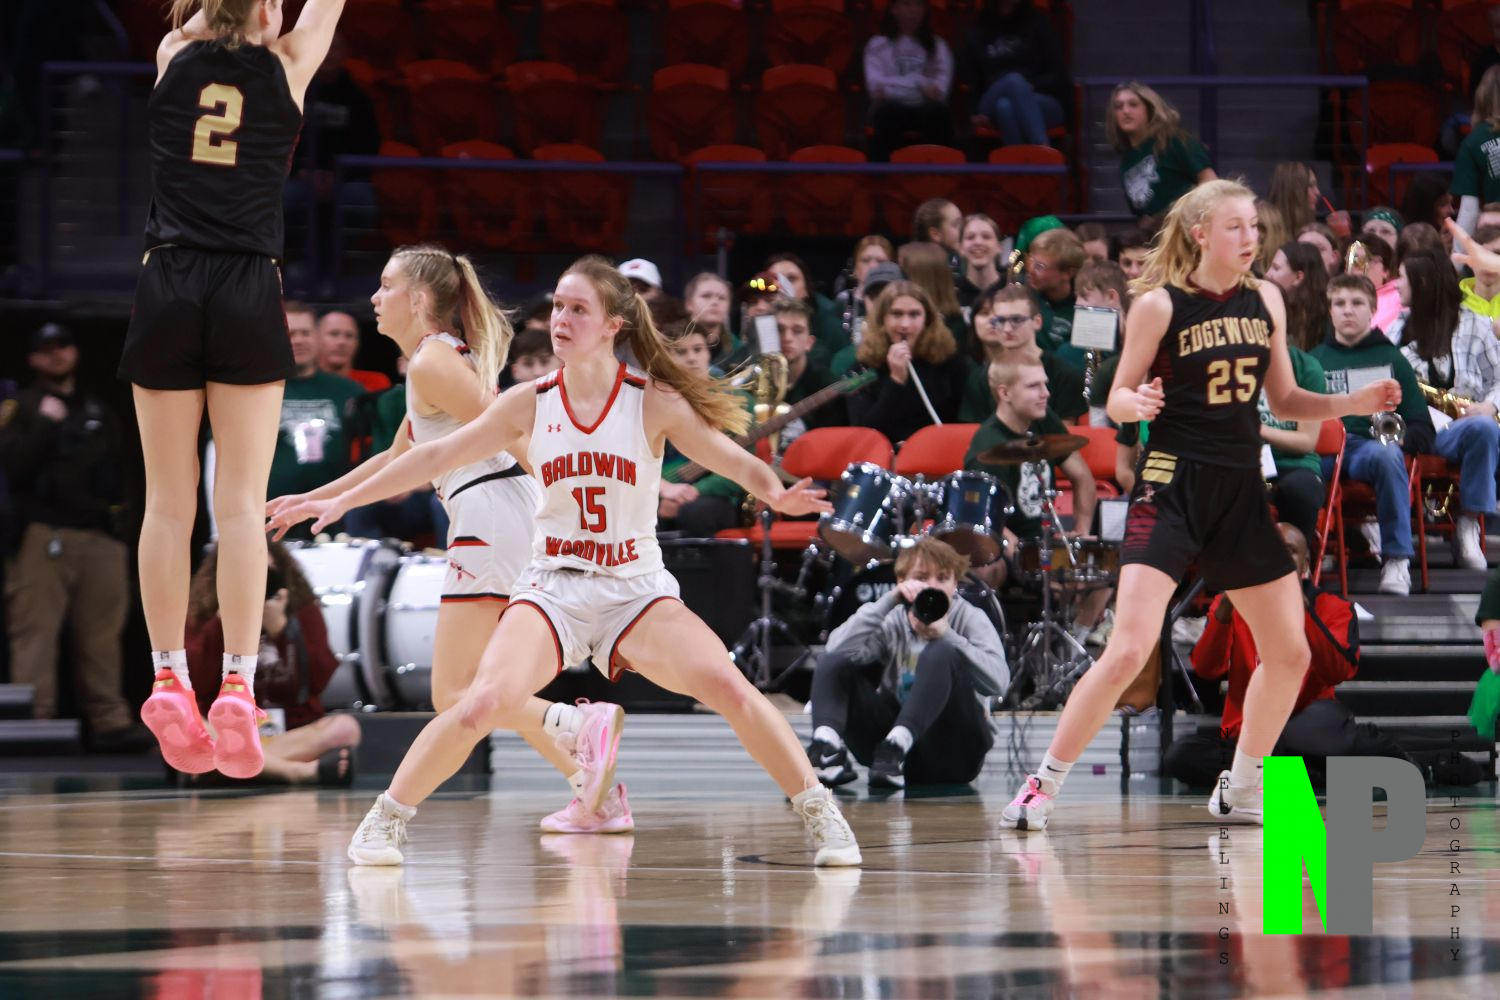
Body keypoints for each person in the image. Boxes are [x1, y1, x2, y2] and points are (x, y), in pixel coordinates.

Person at [272, 256, 862, 867]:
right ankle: (386, 820)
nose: (561, 318)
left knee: (728, 686)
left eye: (578, 309)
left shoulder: (650, 401)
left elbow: (729, 457)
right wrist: (338, 500)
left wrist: (776, 493)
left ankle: (819, 811)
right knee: (480, 700)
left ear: (612, 325)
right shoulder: (527, 402)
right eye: (557, 305)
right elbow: (430, 456)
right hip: (552, 586)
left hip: (634, 587)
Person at [999, 179, 1401, 832]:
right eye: (1236, 226)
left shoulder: (1265, 298)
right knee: (1129, 649)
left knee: (1290, 653)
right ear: (1201, 234)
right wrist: (1135, 404)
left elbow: (1287, 399)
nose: (1251, 238)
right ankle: (1040, 788)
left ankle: (1241, 787)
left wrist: (1351, 404)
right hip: (1171, 487)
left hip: (1238, 492)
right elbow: (1118, 395)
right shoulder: (1159, 304)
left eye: (1255, 227)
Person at [267, 245, 617, 827]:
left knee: (455, 693)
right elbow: (399, 456)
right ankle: (595, 793)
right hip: (498, 512)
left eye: (386, 285)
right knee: (488, 687)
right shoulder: (435, 358)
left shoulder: (433, 362)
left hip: (491, 513)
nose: (375, 298)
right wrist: (316, 499)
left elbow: (513, 432)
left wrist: (568, 502)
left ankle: (580, 725)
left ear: (420, 299)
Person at [120, 0, 347, 779]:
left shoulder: (171, 52)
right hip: (248, 284)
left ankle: (167, 677)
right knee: (242, 505)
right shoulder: (289, 64)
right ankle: (239, 689)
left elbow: (201, 22)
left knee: (166, 503)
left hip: (167, 278)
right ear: (270, 9)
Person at [1, 324, 152, 752]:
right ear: (33, 358)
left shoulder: (98, 409)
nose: (56, 355)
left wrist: (123, 529)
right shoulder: (22, 406)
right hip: (43, 534)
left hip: (100, 536)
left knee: (102, 634)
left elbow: (127, 472)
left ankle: (109, 720)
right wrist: (44, 425)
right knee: (36, 631)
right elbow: (11, 468)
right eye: (46, 349)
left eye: (63, 346)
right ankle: (35, 720)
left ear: (75, 352)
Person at [1163, 523, 1404, 789]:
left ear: (1305, 566)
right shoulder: (1229, 605)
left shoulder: (1334, 608)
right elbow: (1206, 668)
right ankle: (1307, 778)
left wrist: (1302, 611)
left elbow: (1338, 671)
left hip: (1310, 728)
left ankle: (1278, 778)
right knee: (1180, 756)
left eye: (1288, 550)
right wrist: (1225, 612)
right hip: (1246, 735)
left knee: (1362, 748)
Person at [807, 537, 1007, 789]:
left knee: (941, 651)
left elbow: (999, 683)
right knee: (833, 661)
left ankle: (897, 744)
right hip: (886, 760)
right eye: (921, 578)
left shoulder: (970, 617)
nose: (932, 586)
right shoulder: (894, 617)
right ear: (902, 581)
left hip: (953, 752)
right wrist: (888, 600)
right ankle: (826, 750)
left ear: (955, 583)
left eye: (942, 578)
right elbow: (835, 652)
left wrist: (949, 636)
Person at [185, 541, 362, 785]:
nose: (254, 583)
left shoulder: (303, 611)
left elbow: (317, 682)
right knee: (187, 721)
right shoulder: (202, 613)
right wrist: (220, 624)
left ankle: (227, 769)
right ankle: (293, 771)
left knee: (345, 728)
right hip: (226, 731)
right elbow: (196, 683)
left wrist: (282, 630)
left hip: (290, 732)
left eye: (263, 574)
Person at [1312, 274, 1433, 596]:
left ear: (1372, 309)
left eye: (1357, 303)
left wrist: (1399, 439)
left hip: (1369, 447)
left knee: (1388, 455)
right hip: (1323, 451)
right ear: (1330, 310)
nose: (1347, 310)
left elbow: (1423, 428)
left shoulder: (1392, 359)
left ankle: (1396, 559)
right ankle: (1305, 556)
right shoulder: (1314, 360)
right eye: (1339, 303)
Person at [1389, 251, 1500, 571]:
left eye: (1402, 277)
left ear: (1422, 282)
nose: (1396, 285)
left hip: (1460, 426)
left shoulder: (1476, 324)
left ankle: (1467, 523)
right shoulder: (1396, 329)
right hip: (1411, 427)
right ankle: (1385, 541)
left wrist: (1488, 405)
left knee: (1485, 428)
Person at [964, 354, 1098, 594]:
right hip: (1006, 548)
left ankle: (1081, 621)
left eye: (1045, 384)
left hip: (1045, 539)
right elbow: (987, 521)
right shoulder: (987, 445)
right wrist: (1028, 560)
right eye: (1033, 386)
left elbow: (1083, 477)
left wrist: (1081, 531)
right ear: (1005, 393)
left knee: (1103, 566)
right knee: (987, 570)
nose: (1046, 393)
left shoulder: (1044, 419)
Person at [261, 301, 365, 538]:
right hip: (271, 515)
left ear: (317, 337)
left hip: (334, 517)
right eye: (290, 333)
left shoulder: (350, 391)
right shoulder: (260, 391)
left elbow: (374, 452)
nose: (298, 340)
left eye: (305, 333)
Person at [848, 280, 972, 445]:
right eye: (897, 314)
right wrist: (896, 381)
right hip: (885, 456)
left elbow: (963, 423)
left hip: (938, 451)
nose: (905, 324)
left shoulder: (950, 363)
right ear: (882, 320)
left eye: (914, 315)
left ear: (927, 320)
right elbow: (866, 433)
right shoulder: (863, 368)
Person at [959, 282, 1086, 424]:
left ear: (1037, 322)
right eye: (1000, 320)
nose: (1007, 329)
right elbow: (975, 432)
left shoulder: (1065, 375)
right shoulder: (981, 378)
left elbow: (1064, 434)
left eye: (1016, 320)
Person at [962, 0, 1070, 147]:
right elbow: (972, 78)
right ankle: (1043, 151)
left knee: (1005, 106)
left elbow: (1058, 74)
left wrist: (1030, 87)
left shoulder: (1037, 22)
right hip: (991, 100)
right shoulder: (978, 29)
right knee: (1014, 81)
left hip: (1042, 100)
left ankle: (1020, 160)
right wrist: (972, 113)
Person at [1106, 81, 1216, 221]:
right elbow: (1141, 215)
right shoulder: (1126, 162)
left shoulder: (1174, 140)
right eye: (1118, 106)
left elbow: (1211, 183)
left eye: (1133, 104)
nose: (1125, 111)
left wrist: (1189, 217)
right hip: (1158, 233)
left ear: (1149, 108)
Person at [862, 0, 955, 162]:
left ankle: (936, 173)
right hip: (890, 109)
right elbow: (876, 89)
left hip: (926, 109)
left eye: (918, 5)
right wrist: (921, 83)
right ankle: (884, 175)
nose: (913, 10)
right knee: (886, 112)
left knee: (939, 112)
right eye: (907, 4)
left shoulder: (938, 45)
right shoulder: (877, 45)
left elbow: (940, 92)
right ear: (894, 9)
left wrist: (892, 87)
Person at [1264, 241, 1330, 352]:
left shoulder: (1326, 320)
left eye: (1276, 268)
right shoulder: (1265, 307)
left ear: (1298, 277)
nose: (1267, 274)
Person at [317, 309, 391, 392]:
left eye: (349, 336)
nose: (342, 342)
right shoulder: (305, 382)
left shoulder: (376, 382)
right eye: (334, 334)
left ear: (357, 343)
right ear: (316, 339)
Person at [955, 213, 1004, 311]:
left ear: (999, 247)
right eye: (970, 237)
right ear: (960, 248)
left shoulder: (1011, 289)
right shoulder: (951, 294)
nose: (978, 242)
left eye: (986, 237)